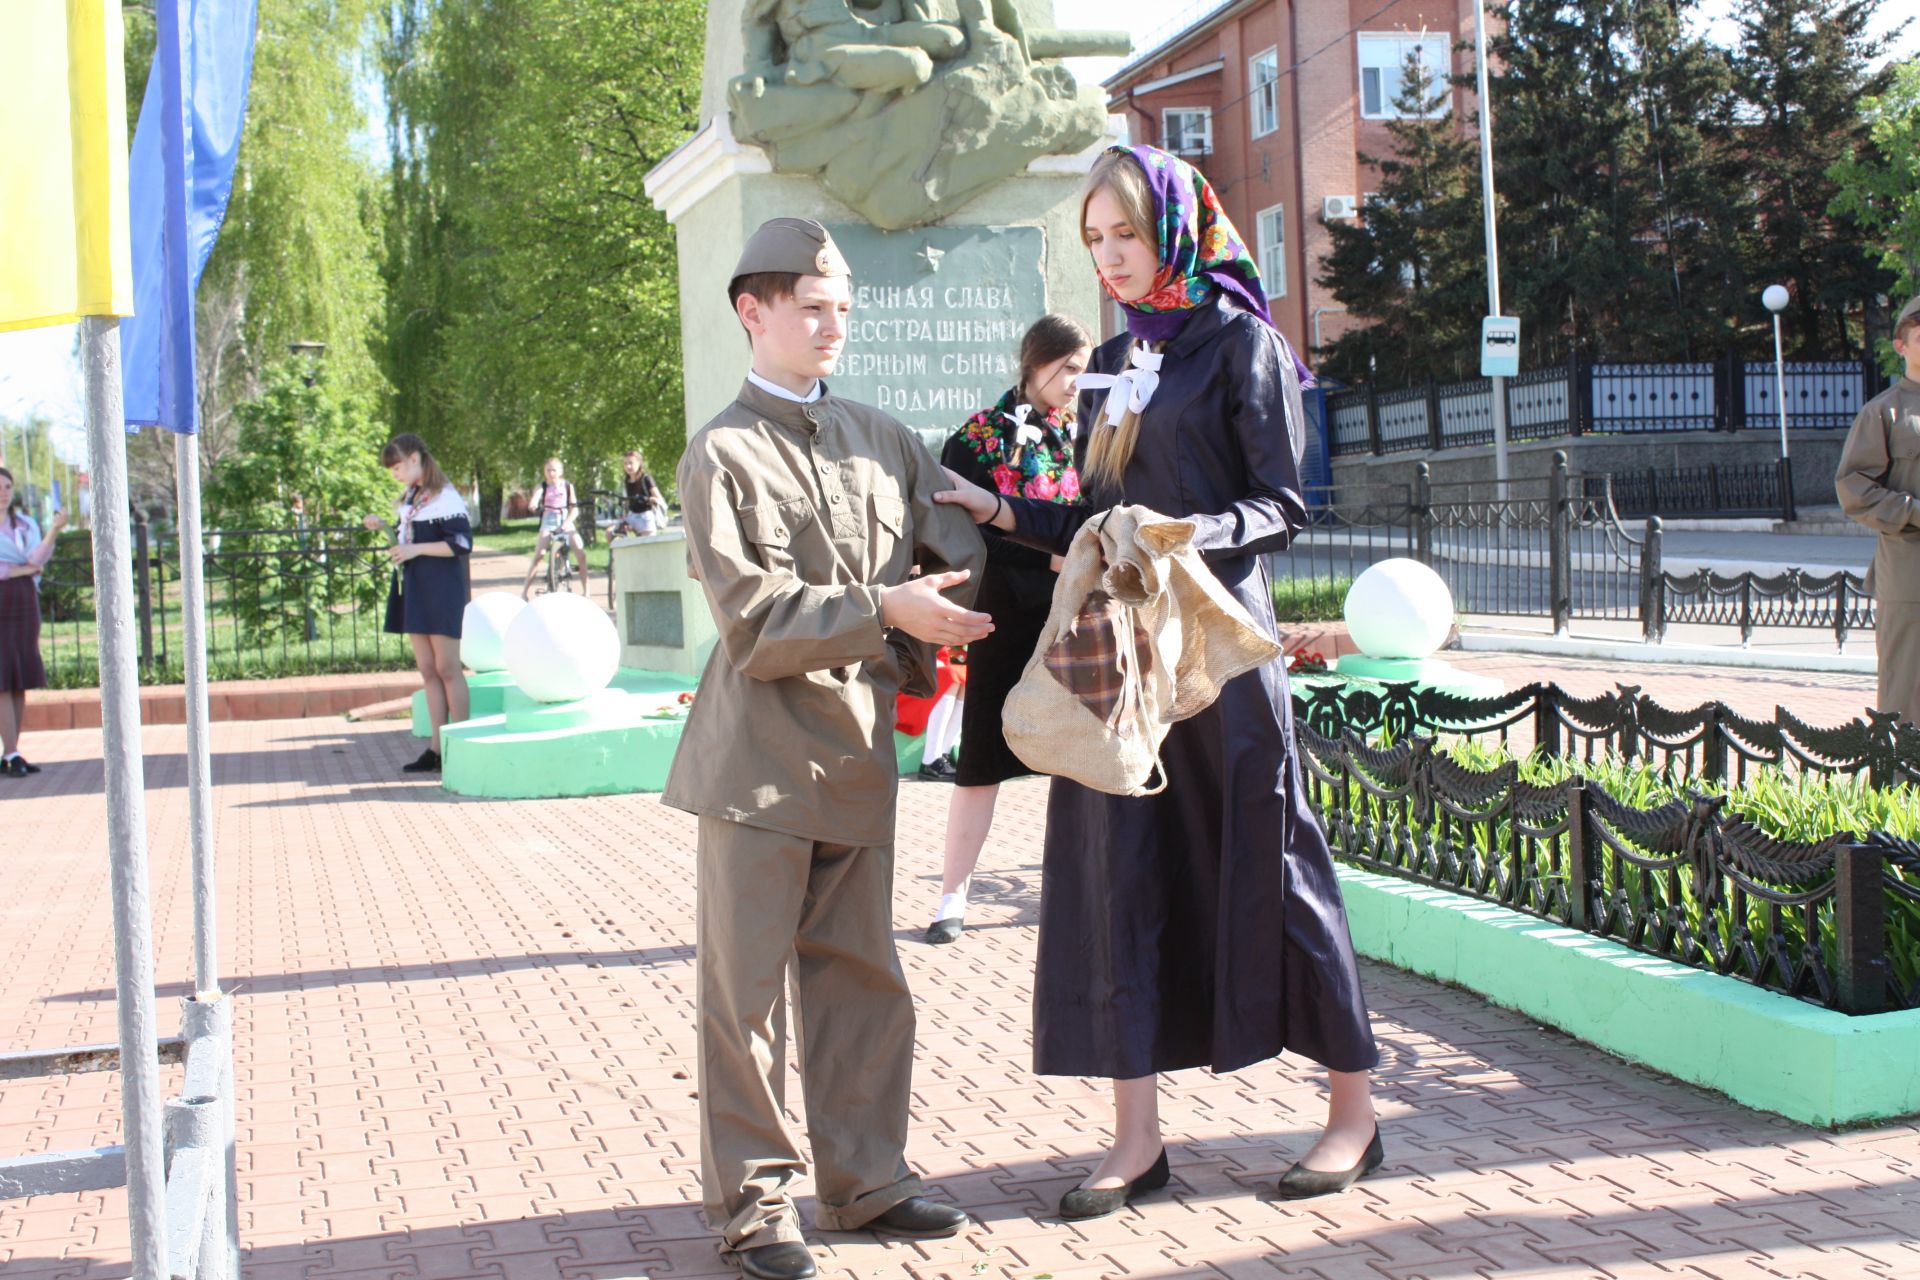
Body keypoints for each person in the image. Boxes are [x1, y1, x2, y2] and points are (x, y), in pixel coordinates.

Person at [935, 145, 1381, 1217]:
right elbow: (1092, 523)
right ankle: (1135, 1140)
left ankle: (1353, 1114)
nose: (1111, 258)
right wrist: (992, 505)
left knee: (1274, 868)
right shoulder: (1119, 362)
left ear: (1174, 227)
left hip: (1219, 653)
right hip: (1119, 658)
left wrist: (1190, 533)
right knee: (1113, 875)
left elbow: (1286, 501)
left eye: (1124, 234)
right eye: (1095, 241)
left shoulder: (1241, 345)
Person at [661, 217, 988, 1280]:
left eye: (842, 307)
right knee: (745, 994)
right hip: (758, 762)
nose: (831, 324)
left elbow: (963, 550)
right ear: (752, 312)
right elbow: (750, 618)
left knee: (860, 978)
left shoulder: (884, 437)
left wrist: (1022, 554)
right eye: (811, 305)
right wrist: (884, 606)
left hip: (856, 756)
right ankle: (757, 1203)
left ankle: (868, 1176)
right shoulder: (723, 451)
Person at [924, 313, 1090, 943]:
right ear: (1034, 361)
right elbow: (968, 533)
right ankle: (951, 897)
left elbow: (1098, 516)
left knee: (1086, 756)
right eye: (1067, 366)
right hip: (1003, 612)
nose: (1076, 381)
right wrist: (1053, 554)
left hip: (1077, 614)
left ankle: (1083, 889)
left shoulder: (1088, 436)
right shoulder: (977, 438)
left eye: (1083, 368)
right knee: (981, 759)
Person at [1837, 293, 1920, 726]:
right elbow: (1853, 489)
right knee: (1906, 686)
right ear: (1901, 346)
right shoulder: (1883, 412)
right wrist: (1914, 511)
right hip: (1910, 570)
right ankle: (1904, 783)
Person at [367, 434, 472, 774]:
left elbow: (460, 544)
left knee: (447, 668)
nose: (395, 474)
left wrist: (414, 550)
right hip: (416, 586)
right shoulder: (412, 498)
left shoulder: (445, 496)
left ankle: (462, 743)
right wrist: (384, 527)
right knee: (428, 669)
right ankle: (437, 749)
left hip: (442, 588)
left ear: (415, 459)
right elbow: (408, 539)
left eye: (398, 467)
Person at [0, 468, 64, 778]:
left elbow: (37, 560)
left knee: (18, 677)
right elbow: (21, 568)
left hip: (24, 604)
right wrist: (18, 570)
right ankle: (11, 753)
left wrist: (54, 529)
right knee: (1, 678)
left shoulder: (25, 524)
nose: (3, 492)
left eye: (8, 486)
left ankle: (12, 751)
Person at [520, 457, 589, 597]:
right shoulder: (542, 487)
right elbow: (535, 497)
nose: (551, 473)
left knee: (581, 554)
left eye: (554, 470)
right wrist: (533, 504)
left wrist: (566, 524)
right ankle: (524, 592)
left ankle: (586, 591)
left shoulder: (568, 486)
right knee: (539, 555)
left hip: (566, 520)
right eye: (548, 470)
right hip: (549, 520)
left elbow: (574, 509)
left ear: (560, 471)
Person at [614, 449, 668, 536]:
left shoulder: (646, 479)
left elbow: (659, 499)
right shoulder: (626, 481)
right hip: (632, 516)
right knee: (610, 533)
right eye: (625, 463)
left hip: (646, 517)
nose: (628, 466)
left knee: (647, 544)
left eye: (631, 463)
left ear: (639, 463)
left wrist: (649, 499)